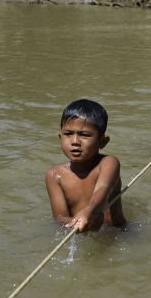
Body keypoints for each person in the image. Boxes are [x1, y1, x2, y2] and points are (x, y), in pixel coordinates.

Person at [46, 99, 126, 233]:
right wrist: (76, 223)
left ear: (102, 141)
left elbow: (103, 189)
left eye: (84, 135)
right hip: (82, 232)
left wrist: (89, 211)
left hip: (115, 233)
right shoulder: (54, 175)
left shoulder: (108, 163)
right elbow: (60, 217)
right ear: (60, 137)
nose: (75, 141)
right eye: (68, 134)